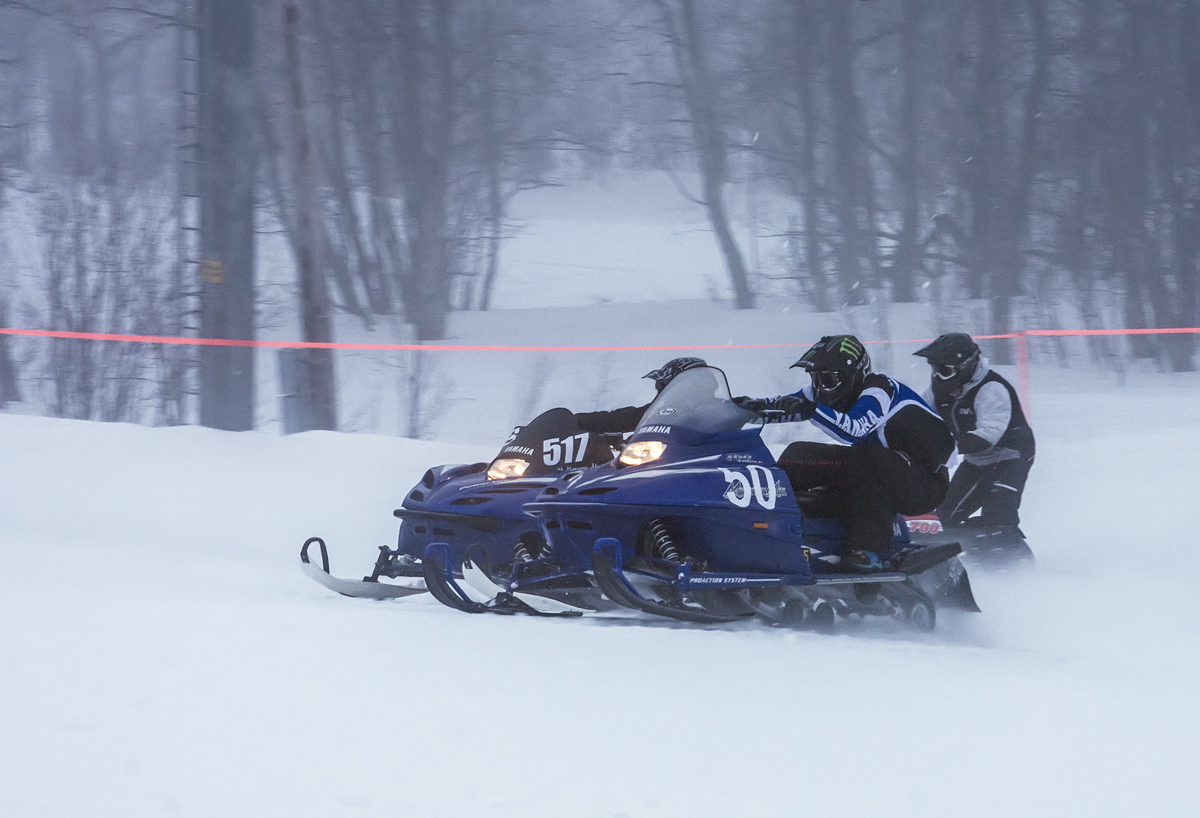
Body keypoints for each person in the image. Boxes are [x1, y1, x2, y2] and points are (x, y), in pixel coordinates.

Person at [737, 335, 954, 571]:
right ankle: (778, 520)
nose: (820, 387)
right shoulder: (823, 391)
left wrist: (811, 410)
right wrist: (742, 408)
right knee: (797, 454)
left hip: (924, 484)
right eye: (815, 379)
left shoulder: (880, 390)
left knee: (870, 460)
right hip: (876, 474)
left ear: (853, 375)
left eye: (828, 379)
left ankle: (869, 550)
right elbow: (784, 405)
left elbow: (853, 429)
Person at [914, 333, 1035, 545]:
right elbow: (915, 418)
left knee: (998, 514)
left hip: (1011, 455)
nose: (938, 376)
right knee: (942, 518)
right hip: (976, 459)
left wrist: (943, 447)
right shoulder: (936, 392)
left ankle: (1013, 558)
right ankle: (965, 550)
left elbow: (987, 436)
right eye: (934, 369)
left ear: (967, 366)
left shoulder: (992, 389)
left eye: (945, 370)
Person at [573, 357, 707, 434]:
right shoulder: (660, 412)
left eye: (665, 386)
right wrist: (573, 421)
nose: (663, 393)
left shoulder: (716, 413)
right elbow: (620, 419)